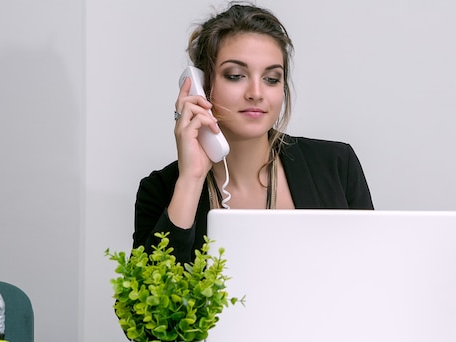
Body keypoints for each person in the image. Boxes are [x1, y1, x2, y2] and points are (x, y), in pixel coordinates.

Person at [133, 2, 373, 262]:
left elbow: (374, 276)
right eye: (236, 75)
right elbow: (146, 302)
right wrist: (191, 180)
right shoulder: (159, 190)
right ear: (203, 86)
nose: (256, 94)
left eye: (271, 79)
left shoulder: (336, 165)